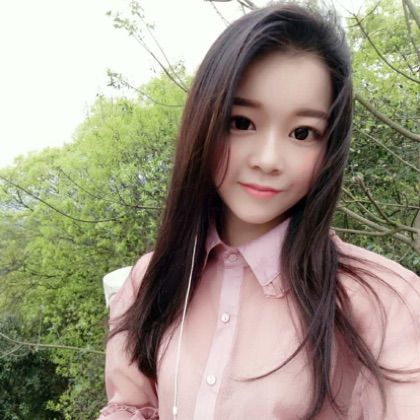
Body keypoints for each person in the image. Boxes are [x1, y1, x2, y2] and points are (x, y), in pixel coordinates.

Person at [98, 2, 420, 419]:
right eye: (241, 122)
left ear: (330, 147)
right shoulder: (151, 279)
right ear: (204, 122)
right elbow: (131, 405)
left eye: (302, 132)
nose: (268, 159)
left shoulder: (387, 302)